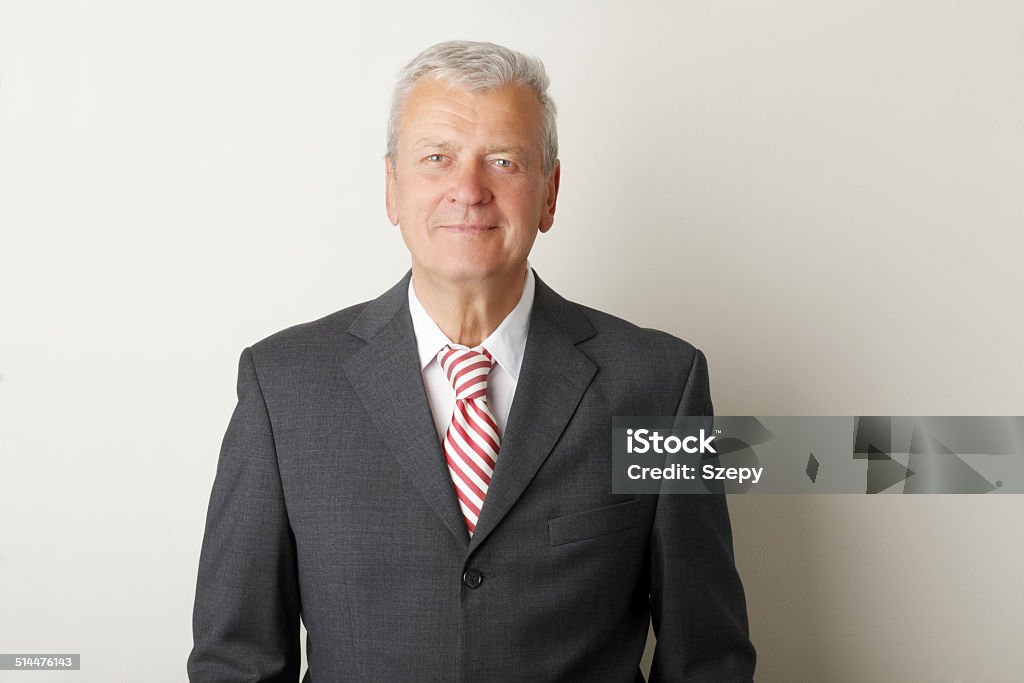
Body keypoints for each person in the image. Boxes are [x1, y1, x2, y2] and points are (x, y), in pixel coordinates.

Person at [188, 40, 756, 682]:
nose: (469, 189)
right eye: (437, 159)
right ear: (391, 189)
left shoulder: (662, 385)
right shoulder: (283, 385)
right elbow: (235, 661)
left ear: (549, 191)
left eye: (504, 161)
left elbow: (708, 658)